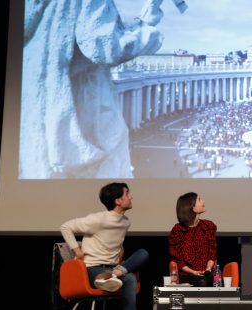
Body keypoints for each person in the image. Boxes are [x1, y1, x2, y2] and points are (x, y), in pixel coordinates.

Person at [20, 0, 172, 178]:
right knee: (106, 171)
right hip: (84, 101)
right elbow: (105, 47)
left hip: (35, 102)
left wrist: (142, 20)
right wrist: (148, 28)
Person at [60, 182, 148, 310]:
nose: (131, 197)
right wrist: (77, 251)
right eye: (127, 193)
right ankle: (111, 275)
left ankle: (114, 274)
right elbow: (65, 227)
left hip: (112, 268)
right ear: (118, 201)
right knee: (130, 278)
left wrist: (119, 251)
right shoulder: (98, 219)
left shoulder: (125, 222)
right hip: (92, 269)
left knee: (143, 253)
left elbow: (112, 240)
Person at [168, 192, 217, 286]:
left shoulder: (208, 226)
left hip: (206, 273)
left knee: (213, 280)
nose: (203, 201)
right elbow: (178, 259)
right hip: (187, 274)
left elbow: (212, 253)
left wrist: (208, 269)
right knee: (202, 282)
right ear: (191, 207)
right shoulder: (178, 230)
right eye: (199, 200)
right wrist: (193, 272)